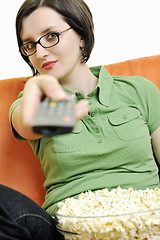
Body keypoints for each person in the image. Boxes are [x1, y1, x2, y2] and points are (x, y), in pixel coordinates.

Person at [1, 0, 160, 239]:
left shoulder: (138, 90)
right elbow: (30, 122)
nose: (40, 52)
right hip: (64, 229)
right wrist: (41, 94)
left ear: (82, 36)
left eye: (51, 36)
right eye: (30, 44)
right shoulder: (29, 101)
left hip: (147, 220)